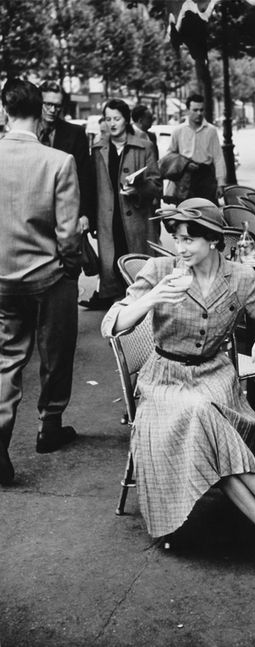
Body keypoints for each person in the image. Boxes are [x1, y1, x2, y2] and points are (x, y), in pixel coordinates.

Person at [101, 198, 255, 600]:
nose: (180, 248)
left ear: (215, 241)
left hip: (216, 376)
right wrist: (152, 299)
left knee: (204, 416)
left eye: (190, 240)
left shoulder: (239, 277)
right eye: (176, 238)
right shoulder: (161, 271)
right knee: (199, 414)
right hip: (164, 379)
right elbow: (112, 324)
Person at [0, 79, 82, 485]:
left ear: (4, 112)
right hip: (48, 275)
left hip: (1, 278)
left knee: (6, 359)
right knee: (56, 350)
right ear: (40, 114)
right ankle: (49, 426)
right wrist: (71, 266)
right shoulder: (58, 161)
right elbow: (68, 233)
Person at [80, 99, 162, 310]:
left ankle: (140, 315)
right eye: (108, 119)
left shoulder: (144, 147)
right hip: (108, 219)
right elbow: (91, 187)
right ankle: (120, 319)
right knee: (112, 267)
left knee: (137, 266)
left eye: (117, 118)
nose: (112, 123)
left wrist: (138, 190)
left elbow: (156, 184)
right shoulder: (98, 149)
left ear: (126, 119)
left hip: (138, 220)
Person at [38, 80, 94, 235]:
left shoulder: (75, 133)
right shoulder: (29, 132)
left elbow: (85, 176)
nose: (52, 110)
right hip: (35, 213)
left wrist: (85, 213)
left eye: (57, 106)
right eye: (47, 104)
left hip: (67, 213)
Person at [166, 93, 225, 204]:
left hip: (206, 176)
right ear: (188, 110)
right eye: (195, 110)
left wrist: (220, 183)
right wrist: (183, 164)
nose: (199, 113)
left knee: (207, 212)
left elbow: (218, 157)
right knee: (185, 212)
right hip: (185, 177)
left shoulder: (211, 130)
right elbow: (170, 155)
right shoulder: (179, 131)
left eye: (201, 110)